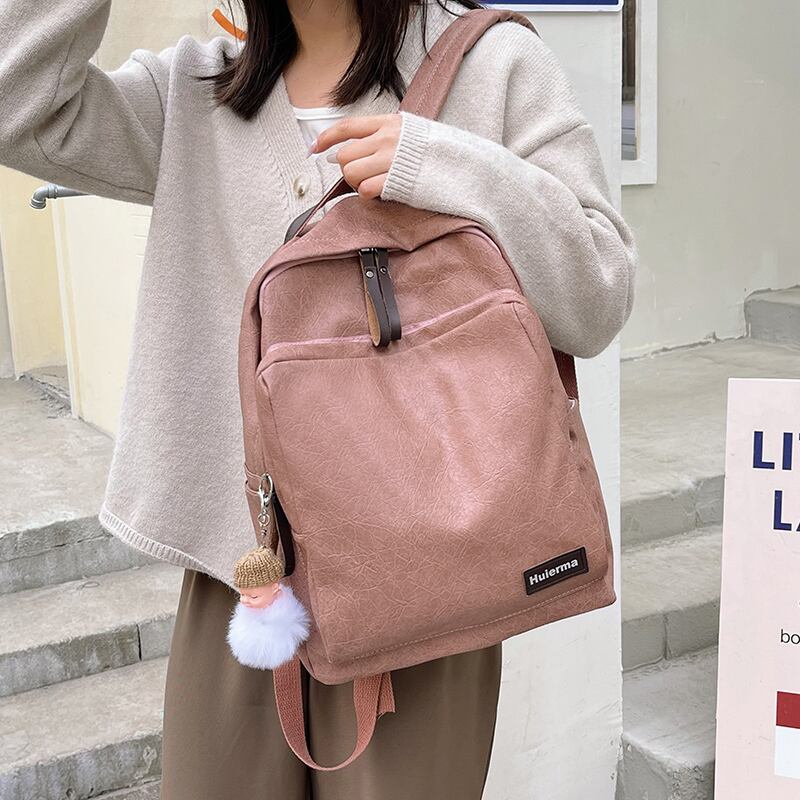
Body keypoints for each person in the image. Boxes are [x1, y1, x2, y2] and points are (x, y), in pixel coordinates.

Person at [0, 0, 637, 797]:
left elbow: (598, 292)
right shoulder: (195, 92)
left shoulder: (492, 65)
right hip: (243, 574)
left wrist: (448, 166)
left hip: (430, 582)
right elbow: (16, 103)